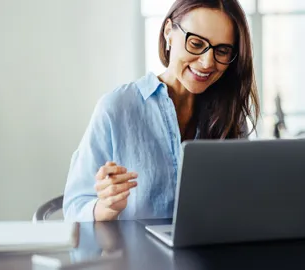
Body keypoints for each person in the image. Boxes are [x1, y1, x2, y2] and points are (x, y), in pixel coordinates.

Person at [63, 0, 260, 222]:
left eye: (222, 51)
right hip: (137, 255)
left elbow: (241, 201)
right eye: (196, 44)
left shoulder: (230, 113)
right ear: (169, 33)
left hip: (212, 254)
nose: (207, 62)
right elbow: (73, 209)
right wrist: (106, 206)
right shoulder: (116, 108)